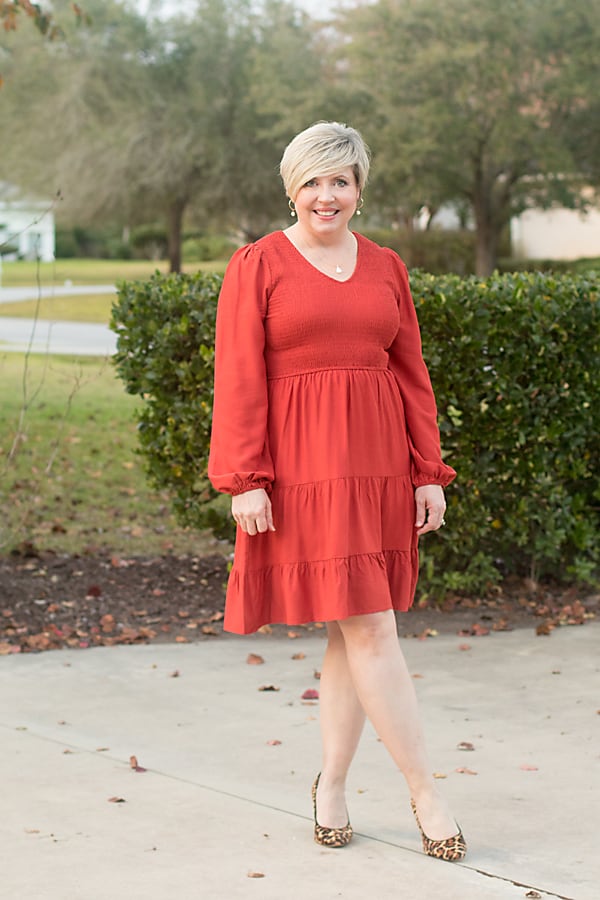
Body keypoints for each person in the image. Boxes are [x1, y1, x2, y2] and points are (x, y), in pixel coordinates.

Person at [208, 122, 466, 862]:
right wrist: (244, 479)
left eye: (342, 181)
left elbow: (411, 373)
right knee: (370, 627)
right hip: (304, 472)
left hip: (378, 465)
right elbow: (239, 377)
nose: (328, 195)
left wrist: (427, 471)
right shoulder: (257, 265)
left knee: (350, 629)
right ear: (293, 188)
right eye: (314, 182)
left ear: (359, 189)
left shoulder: (387, 266)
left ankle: (331, 785)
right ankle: (426, 792)